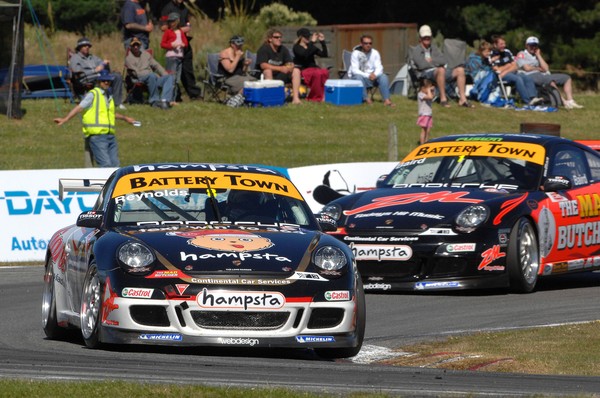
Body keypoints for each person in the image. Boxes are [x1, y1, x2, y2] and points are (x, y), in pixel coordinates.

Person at [53, 70, 136, 168]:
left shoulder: (108, 96)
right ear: (98, 82)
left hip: (110, 135)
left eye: (108, 81)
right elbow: (79, 107)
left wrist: (126, 118)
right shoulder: (93, 94)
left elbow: (111, 114)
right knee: (106, 165)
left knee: (115, 166)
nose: (106, 82)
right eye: (103, 81)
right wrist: (65, 119)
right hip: (97, 136)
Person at [410, 25, 472, 108]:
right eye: (424, 37)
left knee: (460, 70)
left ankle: (463, 99)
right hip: (425, 74)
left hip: (440, 71)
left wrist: (431, 60)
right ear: (420, 38)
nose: (427, 38)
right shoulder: (416, 50)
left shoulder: (434, 48)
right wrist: (436, 62)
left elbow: (443, 60)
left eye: (428, 37)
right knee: (441, 70)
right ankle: (443, 99)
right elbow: (422, 65)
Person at [516, 36, 582, 109]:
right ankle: (564, 102)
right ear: (526, 45)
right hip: (530, 76)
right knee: (550, 81)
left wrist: (538, 55)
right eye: (531, 45)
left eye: (535, 45)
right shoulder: (521, 54)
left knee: (567, 78)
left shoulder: (536, 55)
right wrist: (538, 68)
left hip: (542, 75)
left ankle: (570, 101)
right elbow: (527, 68)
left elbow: (546, 68)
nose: (533, 47)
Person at [160, 0, 202, 100]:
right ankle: (175, 96)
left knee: (187, 70)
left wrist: (188, 26)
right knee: (173, 74)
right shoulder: (167, 8)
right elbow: (163, 27)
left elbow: (187, 21)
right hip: (173, 47)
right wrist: (180, 30)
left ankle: (194, 94)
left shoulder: (185, 7)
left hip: (184, 43)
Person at [69, 37, 125, 109]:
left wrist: (105, 63)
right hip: (85, 78)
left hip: (99, 75)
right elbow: (77, 72)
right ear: (79, 47)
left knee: (117, 76)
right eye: (85, 46)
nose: (87, 47)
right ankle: (105, 101)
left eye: (88, 46)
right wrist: (94, 71)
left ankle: (117, 103)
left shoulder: (92, 57)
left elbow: (100, 63)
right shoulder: (75, 58)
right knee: (103, 79)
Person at [490, 35, 542, 106]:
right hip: (499, 75)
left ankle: (533, 98)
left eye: (504, 43)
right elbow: (496, 69)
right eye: (501, 44)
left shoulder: (507, 52)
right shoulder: (491, 54)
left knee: (527, 77)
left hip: (509, 72)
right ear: (495, 45)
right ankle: (528, 101)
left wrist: (506, 67)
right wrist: (508, 65)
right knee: (518, 79)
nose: (504, 45)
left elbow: (515, 65)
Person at [125, 37, 175, 110]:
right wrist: (150, 74)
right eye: (134, 45)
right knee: (151, 76)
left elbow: (156, 65)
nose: (136, 47)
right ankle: (154, 101)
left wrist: (164, 74)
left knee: (169, 77)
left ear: (140, 46)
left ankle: (165, 101)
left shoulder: (146, 55)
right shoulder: (129, 58)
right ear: (131, 47)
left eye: (137, 45)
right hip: (139, 79)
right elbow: (137, 73)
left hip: (153, 77)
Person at [256, 28, 302, 104]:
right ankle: (271, 98)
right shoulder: (264, 49)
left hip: (280, 75)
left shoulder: (283, 49)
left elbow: (290, 62)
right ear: (270, 39)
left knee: (296, 71)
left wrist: (289, 67)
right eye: (276, 37)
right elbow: (263, 65)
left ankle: (296, 99)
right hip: (265, 77)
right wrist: (280, 68)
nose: (279, 39)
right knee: (267, 71)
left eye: (280, 37)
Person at [347, 34, 394, 106]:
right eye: (366, 43)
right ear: (361, 44)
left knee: (383, 76)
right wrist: (368, 75)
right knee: (358, 77)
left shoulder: (375, 53)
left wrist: (375, 74)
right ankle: (366, 99)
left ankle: (386, 100)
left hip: (372, 78)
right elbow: (355, 70)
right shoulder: (355, 53)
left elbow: (379, 67)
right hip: (359, 78)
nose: (368, 45)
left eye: (370, 43)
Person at [293, 28, 329, 102]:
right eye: (306, 37)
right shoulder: (297, 47)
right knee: (317, 73)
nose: (308, 38)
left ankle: (323, 96)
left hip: (314, 68)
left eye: (308, 36)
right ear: (301, 37)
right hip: (304, 69)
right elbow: (305, 55)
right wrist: (312, 42)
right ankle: (314, 97)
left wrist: (322, 42)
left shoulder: (310, 46)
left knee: (324, 72)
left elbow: (324, 54)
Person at [160, 12, 186, 101]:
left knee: (177, 80)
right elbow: (162, 44)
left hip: (179, 57)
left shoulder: (180, 32)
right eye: (170, 22)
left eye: (173, 21)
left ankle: (173, 99)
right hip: (171, 57)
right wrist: (171, 45)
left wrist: (183, 44)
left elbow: (185, 42)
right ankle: (168, 99)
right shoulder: (168, 32)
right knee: (171, 79)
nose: (172, 24)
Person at [417, 79, 434, 145]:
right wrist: (429, 90)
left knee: (428, 130)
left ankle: (426, 142)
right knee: (424, 130)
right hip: (424, 114)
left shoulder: (427, 93)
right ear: (423, 88)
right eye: (427, 88)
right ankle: (422, 144)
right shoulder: (420, 94)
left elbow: (432, 96)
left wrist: (431, 90)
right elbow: (430, 97)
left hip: (429, 114)